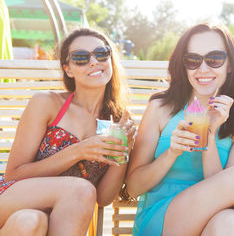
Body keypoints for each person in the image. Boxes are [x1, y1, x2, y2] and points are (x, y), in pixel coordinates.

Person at [126, 23, 234, 236]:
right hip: (163, 222)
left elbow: (229, 195)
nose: (203, 69)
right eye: (193, 60)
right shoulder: (160, 108)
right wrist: (171, 153)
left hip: (215, 223)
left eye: (215, 58)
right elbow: (133, 188)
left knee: (231, 222)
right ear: (183, 65)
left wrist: (209, 132)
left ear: (229, 64)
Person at [0, 28, 136, 236]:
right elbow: (14, 174)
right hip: (13, 197)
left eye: (101, 53)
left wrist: (124, 149)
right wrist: (78, 151)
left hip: (48, 217)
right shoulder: (46, 103)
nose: (93, 62)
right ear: (68, 69)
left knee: (29, 222)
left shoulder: (117, 122)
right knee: (80, 188)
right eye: (81, 57)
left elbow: (104, 198)